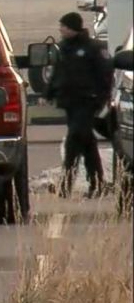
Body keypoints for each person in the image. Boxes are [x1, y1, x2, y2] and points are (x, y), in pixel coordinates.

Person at [46, 12, 113, 198]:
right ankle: (97, 183)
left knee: (73, 139)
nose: (61, 29)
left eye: (64, 26)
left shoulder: (93, 48)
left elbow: (105, 74)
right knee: (87, 142)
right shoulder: (63, 48)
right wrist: (49, 92)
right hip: (70, 102)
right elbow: (57, 73)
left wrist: (102, 98)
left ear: (73, 28)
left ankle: (65, 185)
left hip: (87, 102)